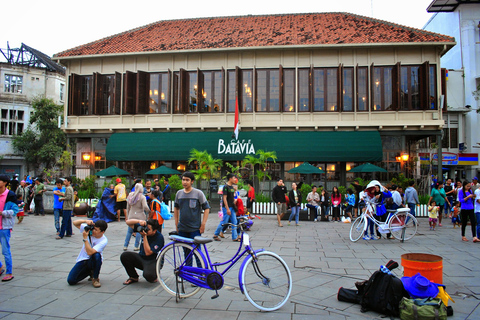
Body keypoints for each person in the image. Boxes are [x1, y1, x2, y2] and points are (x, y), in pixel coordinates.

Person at [121, 218, 164, 284]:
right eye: (146, 228)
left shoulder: (159, 238)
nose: (146, 230)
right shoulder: (144, 230)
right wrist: (139, 221)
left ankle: (154, 274)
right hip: (142, 257)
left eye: (148, 229)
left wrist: (144, 237)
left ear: (154, 231)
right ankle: (133, 277)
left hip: (153, 260)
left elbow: (148, 253)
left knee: (149, 276)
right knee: (125, 256)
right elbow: (128, 222)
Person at [67, 219, 108, 288]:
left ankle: (95, 278)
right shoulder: (89, 230)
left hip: (93, 260)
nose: (93, 231)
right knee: (71, 280)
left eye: (96, 230)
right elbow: (75, 223)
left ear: (102, 232)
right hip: (83, 259)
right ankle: (89, 272)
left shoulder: (103, 240)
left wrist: (85, 238)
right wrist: (85, 221)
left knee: (97, 255)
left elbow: (90, 252)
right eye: (93, 229)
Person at [174, 172, 210, 240]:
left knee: (195, 249)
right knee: (185, 248)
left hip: (195, 228)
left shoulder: (198, 193)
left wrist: (203, 224)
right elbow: (176, 208)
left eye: (187, 180)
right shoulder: (179, 193)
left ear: (192, 181)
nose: (185, 182)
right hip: (182, 228)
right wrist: (176, 223)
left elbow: (206, 208)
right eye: (183, 180)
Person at [0, 174, 19, 282]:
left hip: (4, 227)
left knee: (5, 250)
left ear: (5, 182)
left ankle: (9, 272)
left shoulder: (10, 195)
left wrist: (2, 213)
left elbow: (15, 210)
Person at [124, 183, 149, 251]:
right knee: (138, 231)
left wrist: (128, 215)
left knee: (129, 231)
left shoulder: (130, 195)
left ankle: (125, 245)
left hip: (131, 215)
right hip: (140, 216)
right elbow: (145, 206)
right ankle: (136, 246)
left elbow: (128, 206)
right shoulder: (142, 197)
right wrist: (148, 211)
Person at [214, 174, 239, 241]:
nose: (235, 179)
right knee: (224, 221)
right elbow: (224, 198)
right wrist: (227, 209)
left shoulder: (232, 187)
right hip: (227, 207)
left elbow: (232, 197)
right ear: (230, 179)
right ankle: (215, 234)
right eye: (234, 178)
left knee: (234, 221)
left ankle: (234, 237)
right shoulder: (225, 187)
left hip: (232, 207)